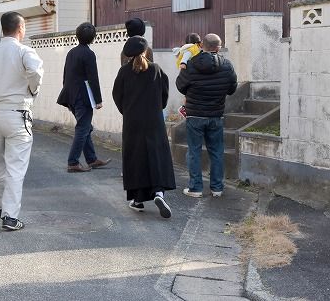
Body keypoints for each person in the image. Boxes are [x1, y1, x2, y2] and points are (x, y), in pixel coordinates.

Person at [0, 12, 44, 231]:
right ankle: (10, 216)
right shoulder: (25, 51)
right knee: (16, 167)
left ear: (3, 29)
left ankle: (1, 206)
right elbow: (35, 73)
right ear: (21, 28)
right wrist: (32, 90)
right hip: (18, 113)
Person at [113, 36, 176, 218]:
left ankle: (138, 199)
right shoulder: (156, 69)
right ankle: (158, 192)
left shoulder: (124, 72)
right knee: (156, 155)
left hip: (132, 121)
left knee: (136, 157)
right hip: (154, 120)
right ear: (145, 51)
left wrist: (128, 111)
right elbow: (164, 94)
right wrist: (157, 107)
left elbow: (117, 96)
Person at [176, 33, 237, 198]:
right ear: (219, 47)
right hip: (216, 115)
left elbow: (180, 86)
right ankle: (217, 188)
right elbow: (232, 89)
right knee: (216, 151)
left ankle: (195, 188)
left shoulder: (191, 64)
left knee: (194, 151)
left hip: (195, 115)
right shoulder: (227, 65)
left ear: (201, 45)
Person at [57, 22, 112, 173]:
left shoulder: (71, 52)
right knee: (82, 129)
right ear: (93, 38)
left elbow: (65, 75)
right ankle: (73, 162)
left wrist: (67, 94)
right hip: (83, 97)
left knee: (86, 127)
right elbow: (93, 78)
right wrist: (98, 99)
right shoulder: (88, 54)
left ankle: (92, 159)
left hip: (70, 95)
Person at [172, 33, 203, 118]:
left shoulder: (190, 48)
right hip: (188, 72)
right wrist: (183, 63)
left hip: (187, 73)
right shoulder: (190, 49)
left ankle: (185, 108)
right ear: (197, 42)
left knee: (188, 92)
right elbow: (186, 57)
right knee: (188, 93)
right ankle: (184, 108)